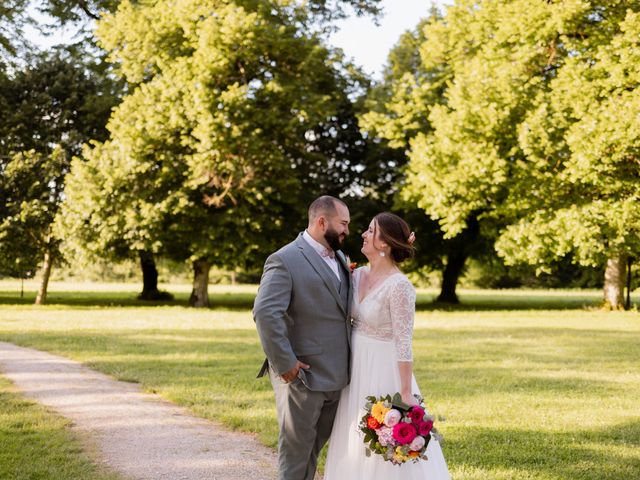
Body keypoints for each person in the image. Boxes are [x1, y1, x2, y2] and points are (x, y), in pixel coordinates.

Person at [324, 212, 450, 480]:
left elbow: (404, 343)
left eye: (371, 231)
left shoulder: (400, 287)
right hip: (354, 369)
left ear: (384, 244)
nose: (363, 234)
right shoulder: (356, 275)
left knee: (382, 440)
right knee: (353, 438)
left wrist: (405, 393)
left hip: (382, 369)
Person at [253, 195, 352, 480]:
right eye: (343, 223)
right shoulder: (285, 259)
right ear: (322, 222)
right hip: (301, 377)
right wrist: (286, 364)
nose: (347, 230)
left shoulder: (341, 258)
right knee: (296, 457)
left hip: (337, 376)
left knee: (312, 452)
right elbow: (265, 312)